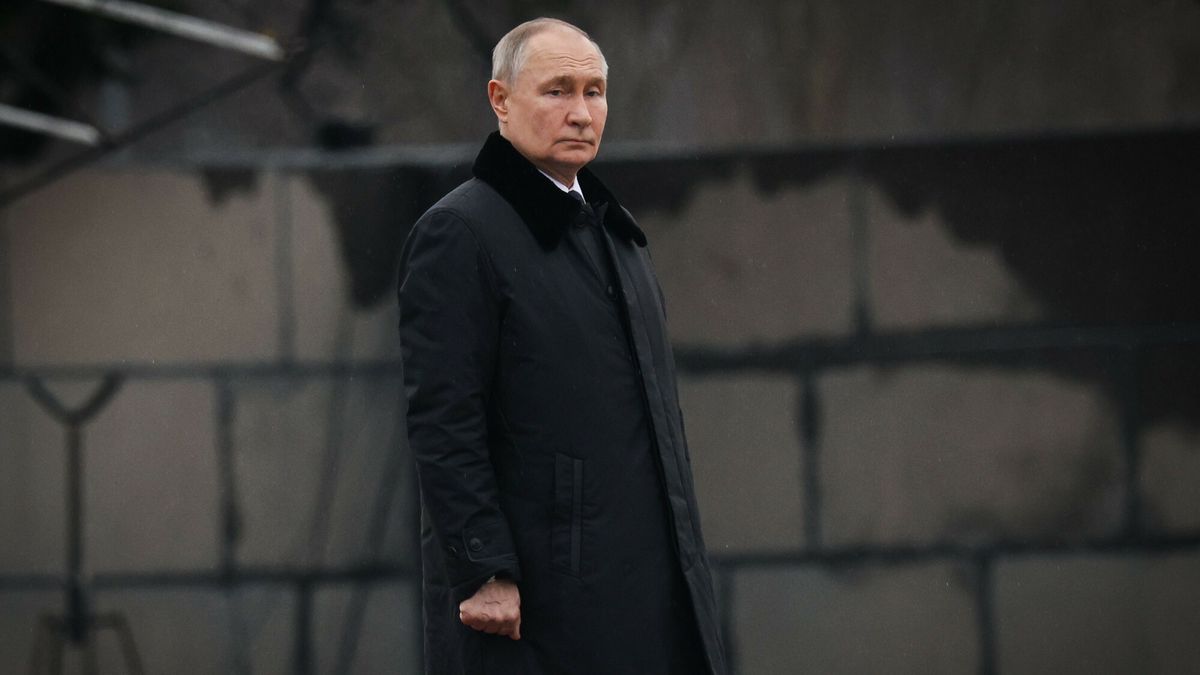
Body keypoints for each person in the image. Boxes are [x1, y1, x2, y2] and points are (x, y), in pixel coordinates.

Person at [398, 17, 727, 675]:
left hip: (646, 598)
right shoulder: (459, 233)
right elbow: (444, 418)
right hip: (537, 614)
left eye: (595, 91)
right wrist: (484, 566)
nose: (581, 113)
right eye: (556, 91)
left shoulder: (616, 236)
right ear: (500, 100)